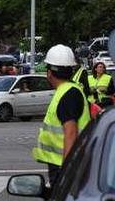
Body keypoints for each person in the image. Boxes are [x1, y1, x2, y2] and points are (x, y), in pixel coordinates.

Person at [32, 44, 91, 185]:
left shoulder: (68, 94)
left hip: (66, 167)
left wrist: (66, 173)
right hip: (65, 164)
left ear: (49, 73)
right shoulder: (67, 91)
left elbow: (71, 133)